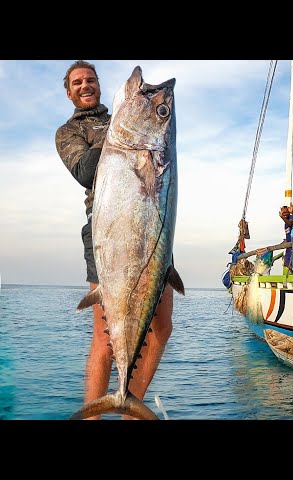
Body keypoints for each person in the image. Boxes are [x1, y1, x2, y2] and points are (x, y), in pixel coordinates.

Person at [55, 60, 173, 420]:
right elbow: (86, 171)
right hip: (110, 233)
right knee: (104, 338)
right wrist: (126, 129)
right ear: (69, 91)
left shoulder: (120, 115)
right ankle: (93, 416)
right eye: (78, 82)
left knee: (162, 326)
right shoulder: (68, 132)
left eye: (90, 79)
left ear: (99, 84)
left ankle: (127, 404)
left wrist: (129, 121)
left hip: (152, 226)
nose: (85, 85)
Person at [279, 205, 293, 274]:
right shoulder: (285, 222)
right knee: (286, 263)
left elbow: (290, 224)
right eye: (283, 213)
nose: (284, 214)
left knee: (292, 263)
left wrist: (282, 217)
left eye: (286, 212)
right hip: (288, 245)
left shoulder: (291, 217)